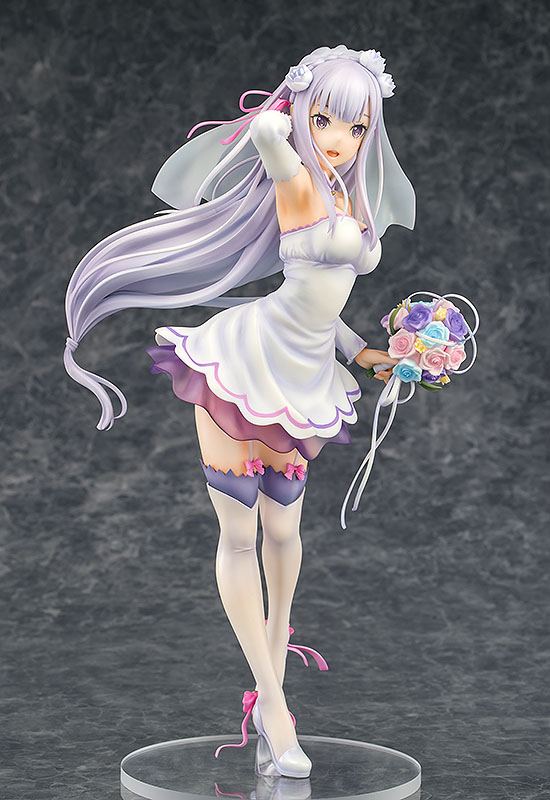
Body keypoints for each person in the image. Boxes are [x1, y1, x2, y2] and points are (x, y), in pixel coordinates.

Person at [63, 44, 415, 778]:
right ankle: (277, 712)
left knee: (284, 532)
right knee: (240, 532)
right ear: (304, 117)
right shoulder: (298, 180)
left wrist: (363, 353)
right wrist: (286, 107)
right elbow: (267, 137)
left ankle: (268, 694)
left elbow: (321, 303)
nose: (338, 139)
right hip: (246, 365)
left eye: (355, 126)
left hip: (306, 374)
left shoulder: (350, 200)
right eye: (325, 120)